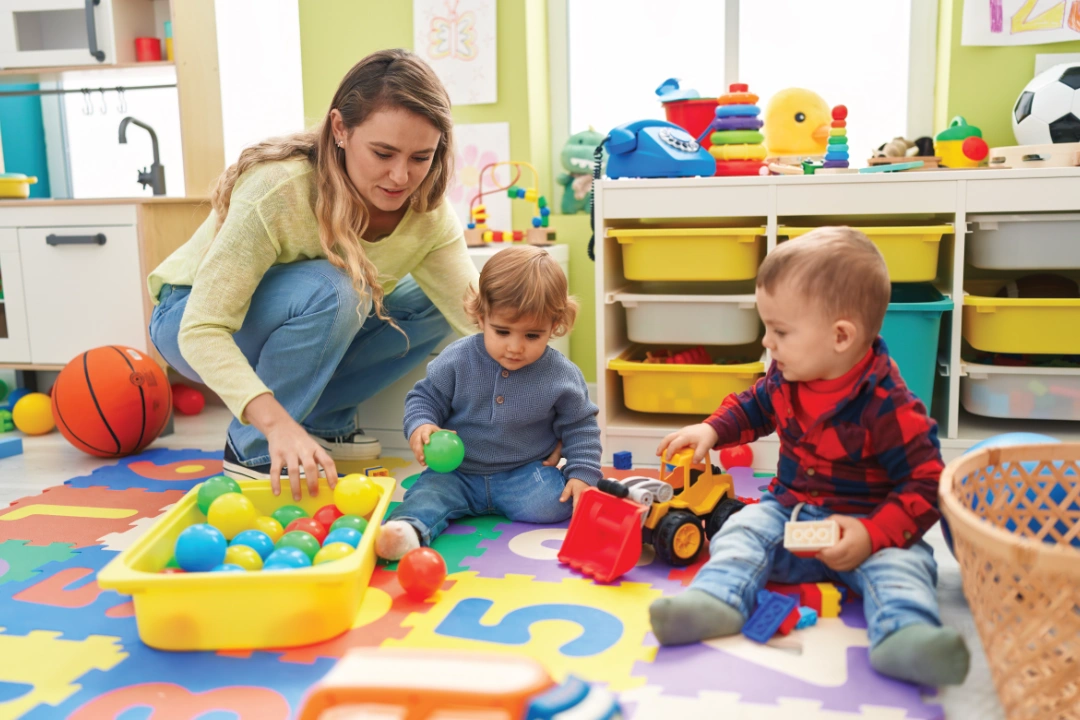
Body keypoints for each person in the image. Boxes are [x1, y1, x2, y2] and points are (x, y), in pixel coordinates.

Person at [147, 49, 478, 499]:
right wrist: (274, 424)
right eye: (383, 153)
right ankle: (254, 448)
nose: (401, 176)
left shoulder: (429, 214)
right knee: (339, 288)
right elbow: (203, 327)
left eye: (421, 157)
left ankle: (322, 420)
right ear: (340, 129)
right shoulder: (279, 190)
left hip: (299, 316)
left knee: (432, 301)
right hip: (188, 318)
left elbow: (480, 319)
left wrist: (543, 409)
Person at [648, 228, 970, 687]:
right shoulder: (786, 374)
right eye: (767, 328)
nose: (767, 342)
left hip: (867, 530)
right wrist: (712, 428)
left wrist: (872, 533)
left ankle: (906, 638)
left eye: (779, 331)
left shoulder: (889, 405)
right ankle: (716, 601)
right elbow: (754, 405)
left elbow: (925, 484)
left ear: (841, 336)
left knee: (904, 568)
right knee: (741, 529)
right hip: (791, 518)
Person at [375, 246, 602, 561]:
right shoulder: (458, 359)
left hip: (523, 473)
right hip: (457, 472)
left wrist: (583, 474)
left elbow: (581, 424)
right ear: (481, 317)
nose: (514, 347)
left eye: (532, 336)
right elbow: (424, 397)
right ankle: (407, 531)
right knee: (425, 497)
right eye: (502, 331)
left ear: (556, 324)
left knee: (558, 502)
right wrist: (422, 426)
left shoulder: (560, 374)